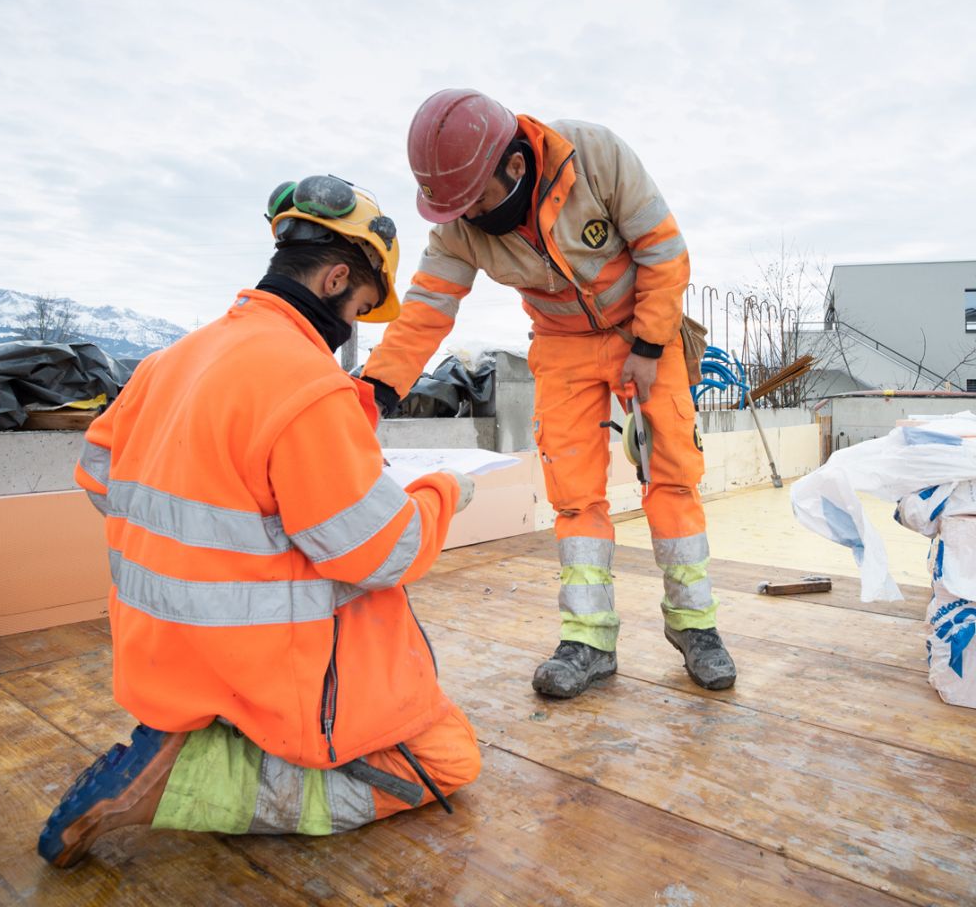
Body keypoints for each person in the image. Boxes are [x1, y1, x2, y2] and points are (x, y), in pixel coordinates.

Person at [38, 175, 481, 868]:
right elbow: (383, 552)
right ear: (336, 279)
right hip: (264, 668)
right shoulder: (307, 383)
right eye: (360, 308)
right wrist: (444, 491)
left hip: (165, 663)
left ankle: (196, 733)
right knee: (446, 757)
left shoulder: (167, 361)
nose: (351, 327)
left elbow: (99, 477)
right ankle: (179, 783)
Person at [361, 89, 737, 700]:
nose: (467, 215)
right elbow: (428, 305)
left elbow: (664, 252)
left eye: (475, 200)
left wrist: (648, 347)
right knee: (574, 497)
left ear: (514, 165)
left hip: (646, 332)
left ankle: (695, 626)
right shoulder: (457, 224)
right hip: (563, 347)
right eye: (454, 207)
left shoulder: (594, 156)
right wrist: (375, 390)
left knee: (672, 478)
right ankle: (588, 640)